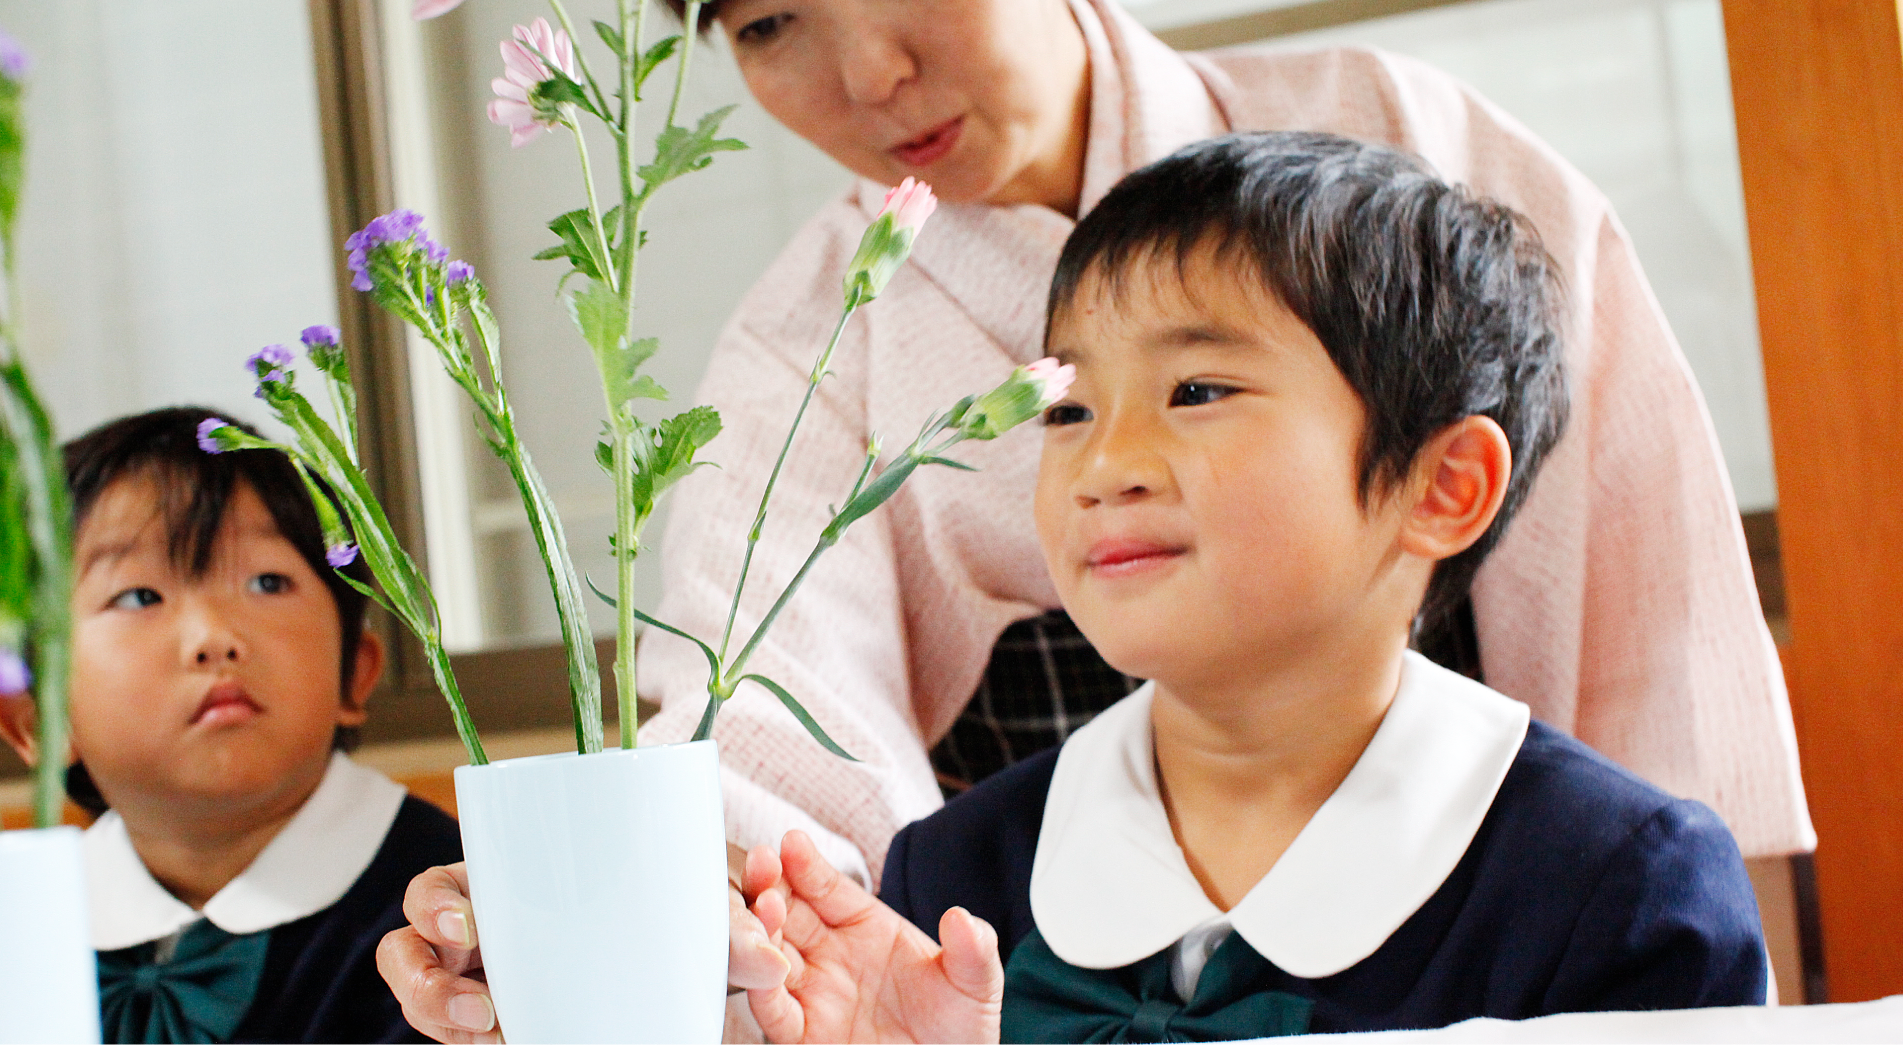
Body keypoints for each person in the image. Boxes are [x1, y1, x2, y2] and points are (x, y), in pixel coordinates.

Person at [379, 0, 1807, 1037]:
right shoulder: (810, 346)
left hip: (1471, 896)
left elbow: (1644, 622)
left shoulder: (1406, 139)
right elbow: (753, 721)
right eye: (766, 25)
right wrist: (618, 927)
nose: (869, 72)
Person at [741, 130, 1768, 1045]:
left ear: (1443, 487)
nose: (1105, 466)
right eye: (1067, 410)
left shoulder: (1620, 886)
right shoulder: (953, 877)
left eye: (1196, 391)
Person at [0, 407, 460, 1045]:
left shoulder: (448, 914)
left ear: (354, 671)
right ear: (37, 720)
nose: (215, 637)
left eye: (267, 582)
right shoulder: (15, 928)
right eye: (139, 596)